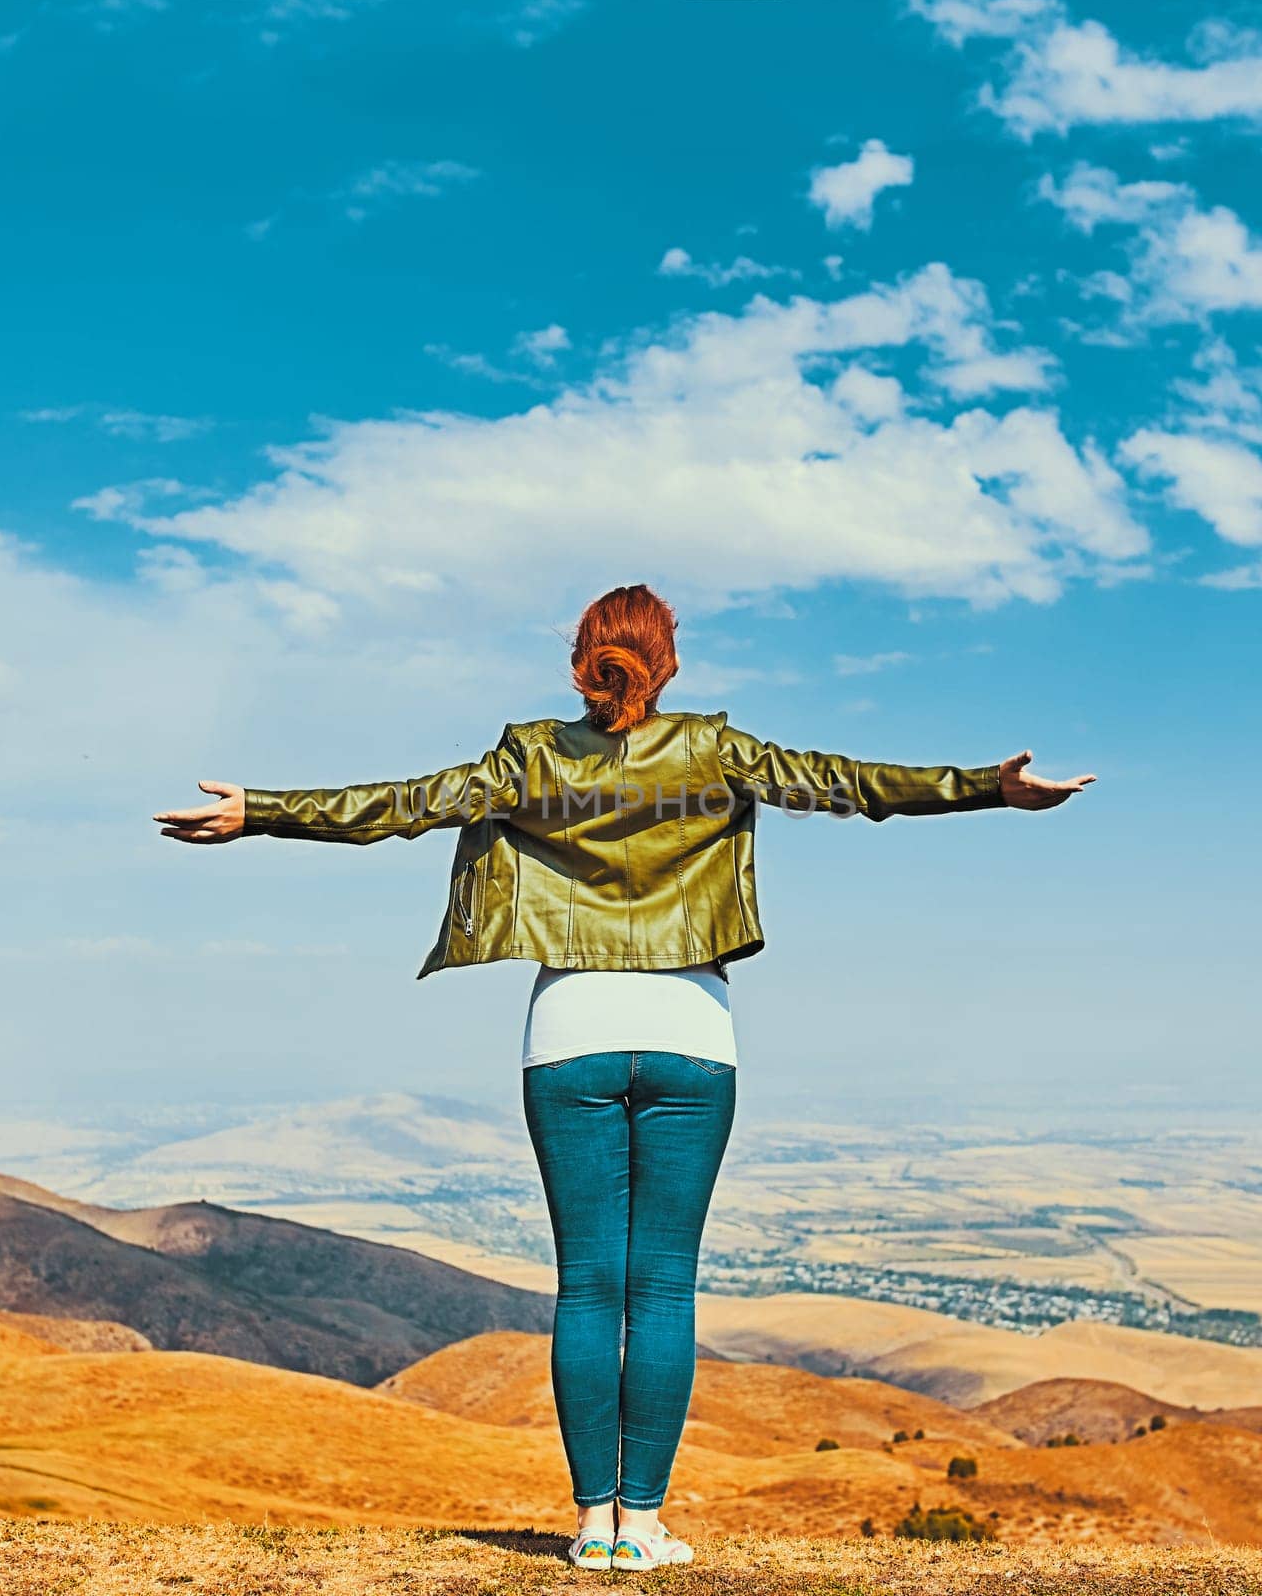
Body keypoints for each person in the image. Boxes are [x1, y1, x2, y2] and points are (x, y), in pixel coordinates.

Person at [153, 582, 1095, 1571]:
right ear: (669, 660)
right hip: (692, 1031)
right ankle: (642, 1523)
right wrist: (986, 786)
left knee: (587, 1290)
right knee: (662, 1291)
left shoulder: (529, 756)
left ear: (579, 661)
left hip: (568, 1033)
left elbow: (402, 804)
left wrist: (264, 812)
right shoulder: (720, 750)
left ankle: (590, 1527)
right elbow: (851, 783)